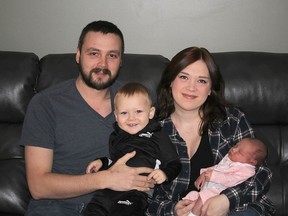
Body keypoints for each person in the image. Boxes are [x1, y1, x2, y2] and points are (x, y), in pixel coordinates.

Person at [21, 20, 154, 216]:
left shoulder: (138, 102)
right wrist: (106, 179)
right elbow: (38, 186)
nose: (103, 64)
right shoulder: (45, 104)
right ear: (78, 55)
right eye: (94, 53)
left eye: (112, 56)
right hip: (56, 207)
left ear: (121, 60)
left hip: (118, 207)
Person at [146, 47, 275, 216]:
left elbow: (261, 173)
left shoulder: (231, 120)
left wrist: (227, 200)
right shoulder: (151, 129)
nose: (191, 87)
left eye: (201, 81)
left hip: (237, 208)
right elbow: (143, 193)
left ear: (210, 89)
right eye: (184, 77)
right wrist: (172, 209)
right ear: (170, 81)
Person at [84, 82, 181, 216]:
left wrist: (165, 174)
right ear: (116, 116)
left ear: (151, 112)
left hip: (137, 190)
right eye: (124, 113)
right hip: (108, 190)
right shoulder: (115, 136)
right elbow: (115, 161)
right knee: (93, 210)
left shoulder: (157, 134)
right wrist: (102, 162)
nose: (131, 118)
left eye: (138, 111)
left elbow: (174, 163)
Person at [183, 138, 268, 216]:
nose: (233, 149)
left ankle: (192, 214)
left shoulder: (247, 170)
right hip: (207, 190)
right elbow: (217, 168)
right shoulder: (229, 159)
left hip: (218, 194)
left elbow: (231, 180)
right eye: (235, 146)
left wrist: (214, 176)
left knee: (203, 197)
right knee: (191, 196)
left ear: (252, 162)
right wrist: (204, 173)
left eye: (240, 152)